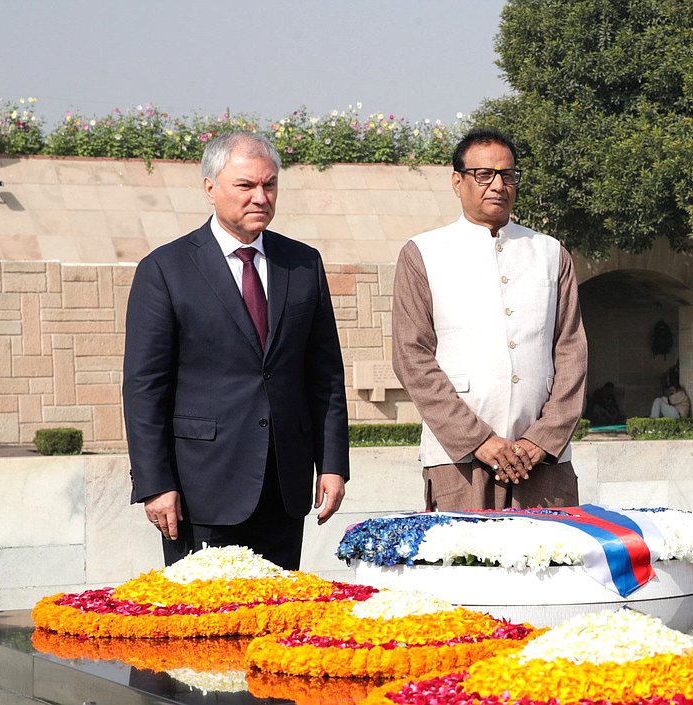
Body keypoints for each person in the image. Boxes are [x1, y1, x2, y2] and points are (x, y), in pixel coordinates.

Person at [123, 132, 349, 570]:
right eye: (246, 186)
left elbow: (325, 377)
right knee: (206, 626)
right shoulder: (165, 270)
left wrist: (333, 464)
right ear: (210, 187)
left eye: (269, 185)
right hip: (200, 491)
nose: (260, 197)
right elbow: (144, 389)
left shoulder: (302, 264)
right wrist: (155, 484)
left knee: (277, 623)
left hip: (284, 491)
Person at [392, 127, 588, 511]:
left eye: (508, 174)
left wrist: (542, 440)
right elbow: (411, 358)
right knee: (464, 567)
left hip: (543, 459)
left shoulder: (549, 253)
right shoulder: (424, 253)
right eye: (484, 174)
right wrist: (478, 440)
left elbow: (571, 352)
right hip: (460, 459)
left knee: (551, 564)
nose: (498, 185)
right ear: (457, 181)